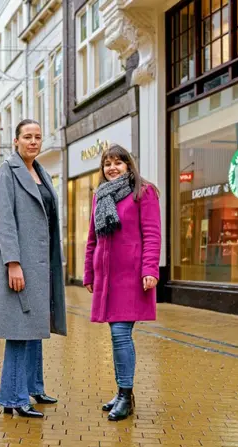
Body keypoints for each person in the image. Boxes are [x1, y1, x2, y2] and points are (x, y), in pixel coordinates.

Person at [0, 119, 67, 419]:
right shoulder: (7, 172)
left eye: (37, 136)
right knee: (19, 330)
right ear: (16, 141)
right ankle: (13, 397)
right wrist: (13, 263)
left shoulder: (42, 171)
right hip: (20, 262)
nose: (33, 142)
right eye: (27, 137)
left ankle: (34, 387)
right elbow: (5, 221)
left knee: (36, 326)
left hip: (41, 261)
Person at [84, 144, 161, 421]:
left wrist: (150, 269)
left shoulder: (144, 192)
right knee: (116, 336)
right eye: (107, 164)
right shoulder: (100, 196)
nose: (112, 168)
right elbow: (93, 238)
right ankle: (121, 392)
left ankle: (126, 396)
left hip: (131, 276)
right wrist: (89, 273)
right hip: (106, 276)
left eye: (118, 162)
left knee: (120, 334)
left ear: (129, 164)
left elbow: (152, 234)